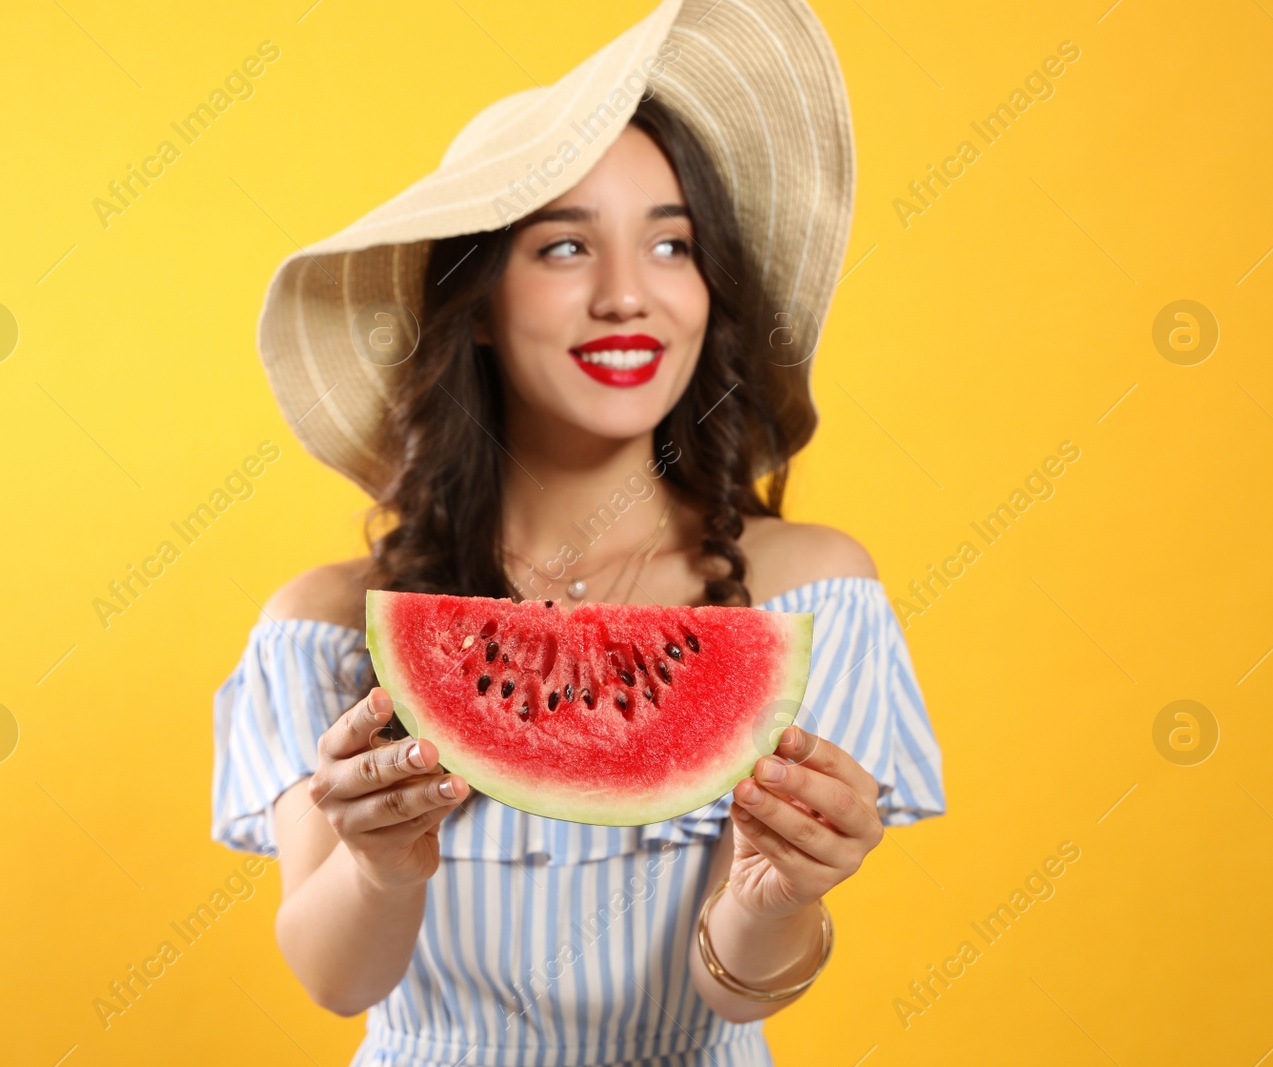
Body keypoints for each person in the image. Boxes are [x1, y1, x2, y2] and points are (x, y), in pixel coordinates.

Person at [212, 1, 944, 1063]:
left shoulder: (808, 595)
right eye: (562, 245)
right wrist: (378, 864)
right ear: (474, 300)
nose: (625, 295)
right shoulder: (323, 627)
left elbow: (738, 994)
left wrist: (776, 893)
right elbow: (338, 980)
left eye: (671, 243)